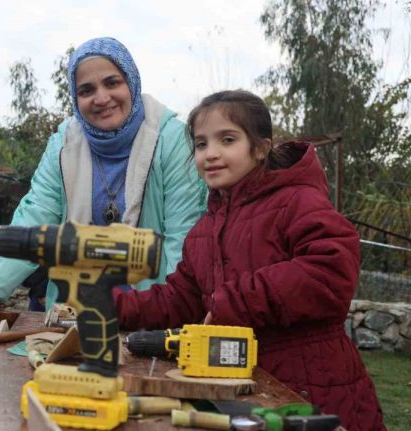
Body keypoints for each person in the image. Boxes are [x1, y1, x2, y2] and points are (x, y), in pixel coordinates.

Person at [114, 90, 385, 431]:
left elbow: (330, 271)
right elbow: (179, 297)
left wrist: (236, 301)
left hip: (312, 387)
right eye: (200, 144)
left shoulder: (296, 201)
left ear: (260, 149)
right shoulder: (204, 230)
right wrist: (114, 306)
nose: (210, 154)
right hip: (246, 388)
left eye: (227, 140)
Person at [0, 37, 206, 309]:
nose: (101, 98)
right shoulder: (64, 145)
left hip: (153, 311)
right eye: (86, 90)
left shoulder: (172, 140)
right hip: (74, 312)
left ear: (131, 81)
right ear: (76, 99)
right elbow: (33, 221)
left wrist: (165, 311)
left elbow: (183, 236)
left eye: (112, 83)